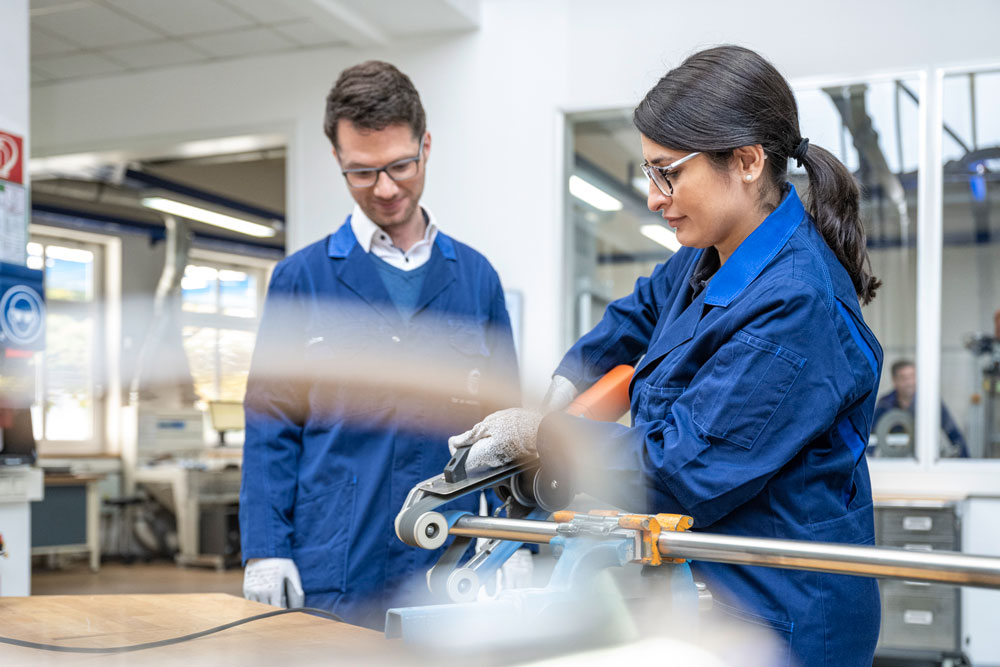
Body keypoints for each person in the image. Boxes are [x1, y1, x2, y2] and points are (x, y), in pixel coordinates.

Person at [452, 46, 883, 666]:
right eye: (649, 174)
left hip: (782, 617)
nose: (655, 198)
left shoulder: (796, 305)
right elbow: (638, 313)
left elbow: (681, 471)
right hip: (711, 592)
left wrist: (543, 437)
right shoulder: (710, 253)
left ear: (746, 160)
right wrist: (566, 386)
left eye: (668, 173)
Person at [239, 61, 520, 629]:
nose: (386, 188)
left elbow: (508, 430)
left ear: (426, 146)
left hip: (449, 556)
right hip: (335, 560)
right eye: (362, 173)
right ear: (339, 163)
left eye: (400, 165)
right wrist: (265, 547)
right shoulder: (302, 279)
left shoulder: (476, 279)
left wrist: (520, 540)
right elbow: (271, 428)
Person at [873, 359, 969, 457]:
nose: (909, 382)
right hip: (893, 461)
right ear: (894, 380)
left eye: (912, 377)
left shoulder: (930, 402)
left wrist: (966, 463)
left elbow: (953, 432)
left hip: (922, 462)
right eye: (903, 378)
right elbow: (871, 436)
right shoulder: (885, 404)